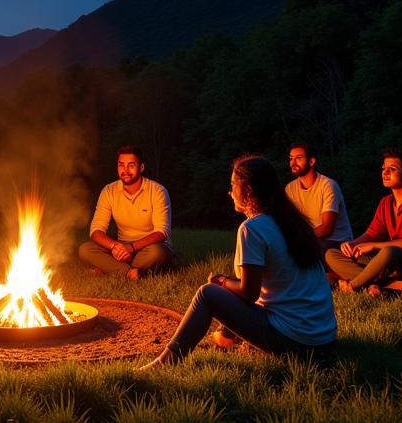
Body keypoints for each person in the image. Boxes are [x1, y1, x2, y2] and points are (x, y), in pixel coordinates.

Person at [141, 155, 336, 368]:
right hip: (324, 341)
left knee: (207, 294)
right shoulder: (292, 223)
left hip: (297, 344)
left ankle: (165, 362)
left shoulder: (252, 229)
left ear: (249, 191)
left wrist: (221, 281)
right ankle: (230, 337)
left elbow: (249, 293)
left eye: (233, 185)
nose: (230, 191)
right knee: (225, 290)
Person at [325, 149, 402, 295]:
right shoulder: (386, 203)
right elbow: (372, 234)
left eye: (392, 169)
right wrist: (352, 246)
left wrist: (373, 246)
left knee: (389, 252)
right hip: (395, 264)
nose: (385, 173)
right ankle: (371, 286)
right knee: (332, 254)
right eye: (384, 168)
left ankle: (354, 286)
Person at [78, 145, 174, 279]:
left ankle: (110, 269)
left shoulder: (157, 191)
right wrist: (114, 246)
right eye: (121, 165)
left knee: (156, 253)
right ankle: (131, 272)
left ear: (141, 168)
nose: (125, 170)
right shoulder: (109, 191)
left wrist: (132, 247)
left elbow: (162, 232)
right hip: (121, 246)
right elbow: (96, 230)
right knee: (85, 250)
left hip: (149, 247)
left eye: (131, 165)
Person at [284, 142, 353, 254]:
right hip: (310, 239)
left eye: (298, 158)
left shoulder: (328, 185)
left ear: (312, 161)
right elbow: (289, 221)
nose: (293, 163)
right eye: (291, 158)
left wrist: (300, 239)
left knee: (308, 252)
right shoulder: (290, 188)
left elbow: (327, 228)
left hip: (336, 242)